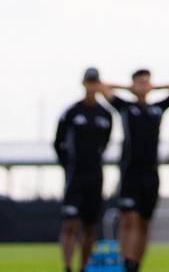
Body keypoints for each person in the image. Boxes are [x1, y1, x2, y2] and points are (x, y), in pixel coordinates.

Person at [100, 71, 169, 272]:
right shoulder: (126, 108)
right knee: (129, 220)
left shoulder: (157, 109)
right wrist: (129, 89)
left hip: (151, 175)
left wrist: (153, 88)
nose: (143, 85)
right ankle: (125, 263)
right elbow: (104, 87)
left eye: (146, 81)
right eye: (139, 82)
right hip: (130, 174)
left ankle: (136, 265)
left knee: (145, 223)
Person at [54, 67, 112, 272]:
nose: (92, 86)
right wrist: (68, 166)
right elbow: (58, 143)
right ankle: (68, 266)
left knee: (90, 225)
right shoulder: (71, 112)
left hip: (95, 177)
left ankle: (84, 267)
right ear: (84, 83)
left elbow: (105, 144)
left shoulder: (105, 115)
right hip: (75, 176)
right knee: (70, 223)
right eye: (89, 81)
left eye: (95, 82)